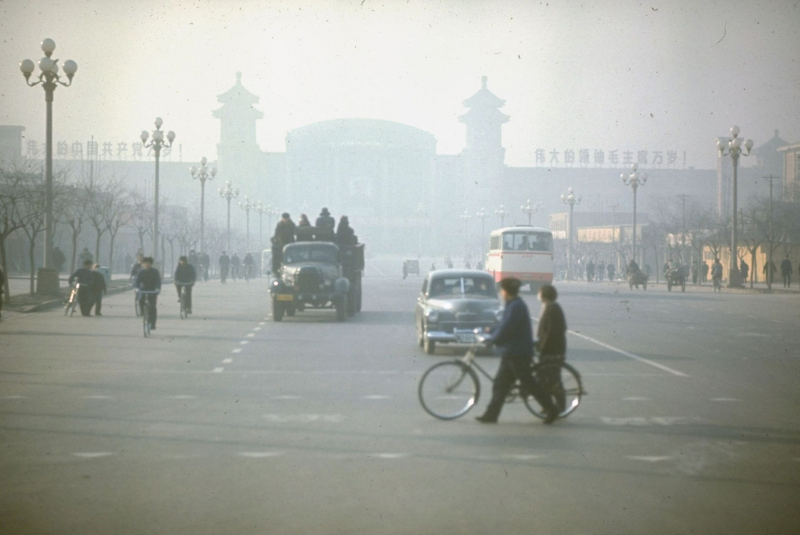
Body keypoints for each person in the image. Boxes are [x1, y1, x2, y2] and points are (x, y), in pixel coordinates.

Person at [475, 278, 559, 424]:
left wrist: (493, 339)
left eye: (502, 290)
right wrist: (490, 331)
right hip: (511, 352)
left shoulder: (516, 306)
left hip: (518, 353)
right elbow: (503, 325)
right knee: (500, 384)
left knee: (529, 384)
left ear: (506, 291)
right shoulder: (513, 305)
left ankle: (551, 409)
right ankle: (491, 414)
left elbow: (508, 329)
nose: (501, 293)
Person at [535, 284, 569, 414]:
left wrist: (542, 347)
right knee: (546, 379)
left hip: (552, 350)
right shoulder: (549, 307)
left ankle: (559, 406)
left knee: (553, 379)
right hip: (551, 348)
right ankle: (549, 405)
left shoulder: (552, 308)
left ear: (544, 295)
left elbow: (551, 332)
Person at [134, 257, 161, 330]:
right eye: (145, 263)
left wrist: (157, 288)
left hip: (152, 290)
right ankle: (143, 312)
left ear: (151, 264)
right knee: (140, 300)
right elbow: (137, 281)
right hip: (143, 289)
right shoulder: (141, 272)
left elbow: (158, 281)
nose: (146, 265)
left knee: (152, 307)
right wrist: (136, 288)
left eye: (148, 263)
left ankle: (153, 323)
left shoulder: (155, 272)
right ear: (143, 264)